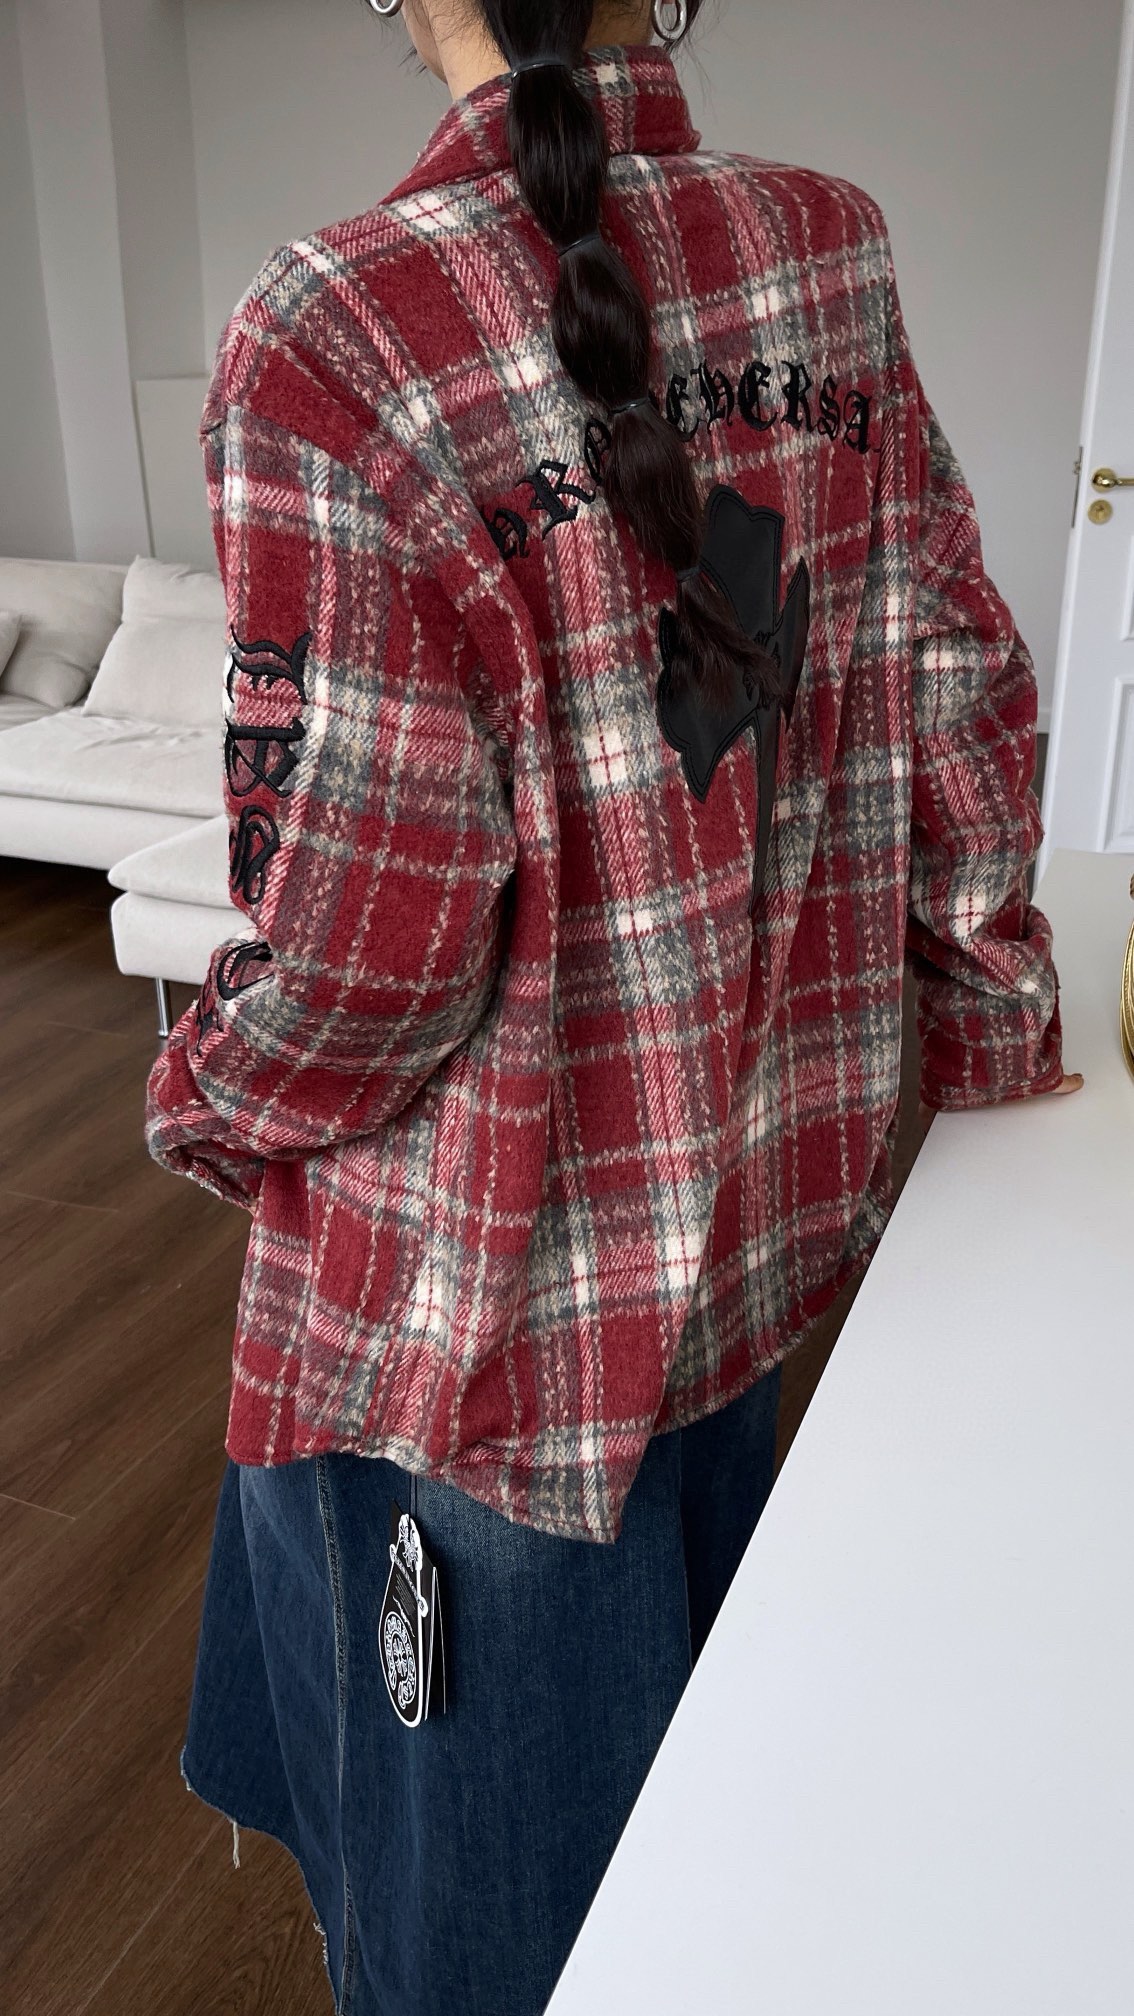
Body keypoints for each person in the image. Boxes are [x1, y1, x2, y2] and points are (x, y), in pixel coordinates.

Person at [143, 2, 1084, 2009]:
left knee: (481, 1935)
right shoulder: (829, 249)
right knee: (702, 1847)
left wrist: (207, 1097)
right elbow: (956, 690)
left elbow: (367, 951)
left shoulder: (339, 328)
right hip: (757, 1236)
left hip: (487, 1320)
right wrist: (993, 1030)